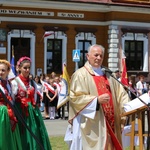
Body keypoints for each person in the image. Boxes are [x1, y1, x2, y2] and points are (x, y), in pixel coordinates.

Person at [65, 44, 130, 150]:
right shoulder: (80, 74)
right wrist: (96, 100)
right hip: (94, 124)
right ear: (87, 56)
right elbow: (74, 98)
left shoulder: (108, 74)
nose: (99, 58)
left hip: (112, 122)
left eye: (101, 56)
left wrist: (130, 106)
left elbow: (121, 94)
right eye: (96, 55)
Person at [11, 56, 52, 150]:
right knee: (23, 134)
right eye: (25, 68)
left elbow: (35, 97)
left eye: (29, 68)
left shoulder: (32, 82)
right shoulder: (15, 82)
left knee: (35, 131)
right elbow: (12, 100)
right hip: (21, 111)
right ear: (19, 68)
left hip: (33, 113)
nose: (27, 70)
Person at [0, 59, 22, 150]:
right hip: (1, 114)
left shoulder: (10, 84)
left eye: (3, 70)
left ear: (8, 71)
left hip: (9, 114)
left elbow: (12, 99)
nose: (0, 72)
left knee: (9, 137)